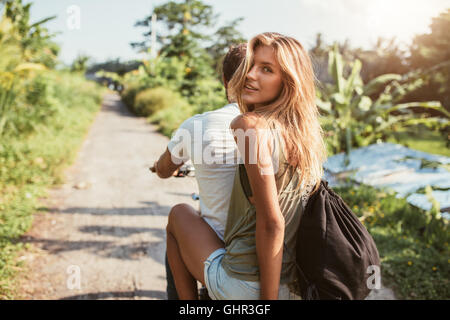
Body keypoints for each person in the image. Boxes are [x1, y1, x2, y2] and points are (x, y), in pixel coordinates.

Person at [166, 32, 327, 300]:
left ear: (288, 80)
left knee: (179, 214)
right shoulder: (302, 136)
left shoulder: (248, 125)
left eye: (266, 69)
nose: (250, 75)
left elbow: (272, 222)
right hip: (291, 284)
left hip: (245, 286)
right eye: (251, 66)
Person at [150, 43, 247, 299]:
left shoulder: (197, 125)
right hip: (277, 261)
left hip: (231, 267)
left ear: (225, 80)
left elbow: (163, 168)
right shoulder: (282, 128)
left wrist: (159, 168)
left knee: (178, 216)